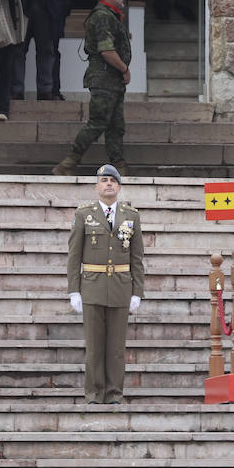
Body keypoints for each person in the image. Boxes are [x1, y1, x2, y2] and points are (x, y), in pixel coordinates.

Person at [65, 164, 144, 404]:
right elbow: (74, 255)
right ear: (96, 186)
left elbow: (136, 257)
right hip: (92, 287)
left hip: (121, 287)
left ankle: (114, 393)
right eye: (104, 180)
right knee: (95, 346)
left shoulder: (131, 215)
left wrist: (137, 292)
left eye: (112, 180)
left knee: (117, 348)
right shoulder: (83, 215)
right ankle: (94, 393)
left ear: (119, 187)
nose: (108, 184)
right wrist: (74, 290)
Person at [54, 0, 132, 175]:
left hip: (111, 81)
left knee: (115, 126)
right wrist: (124, 69)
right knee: (98, 123)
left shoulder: (109, 15)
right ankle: (68, 163)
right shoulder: (103, 16)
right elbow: (107, 52)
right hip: (105, 78)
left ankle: (119, 165)